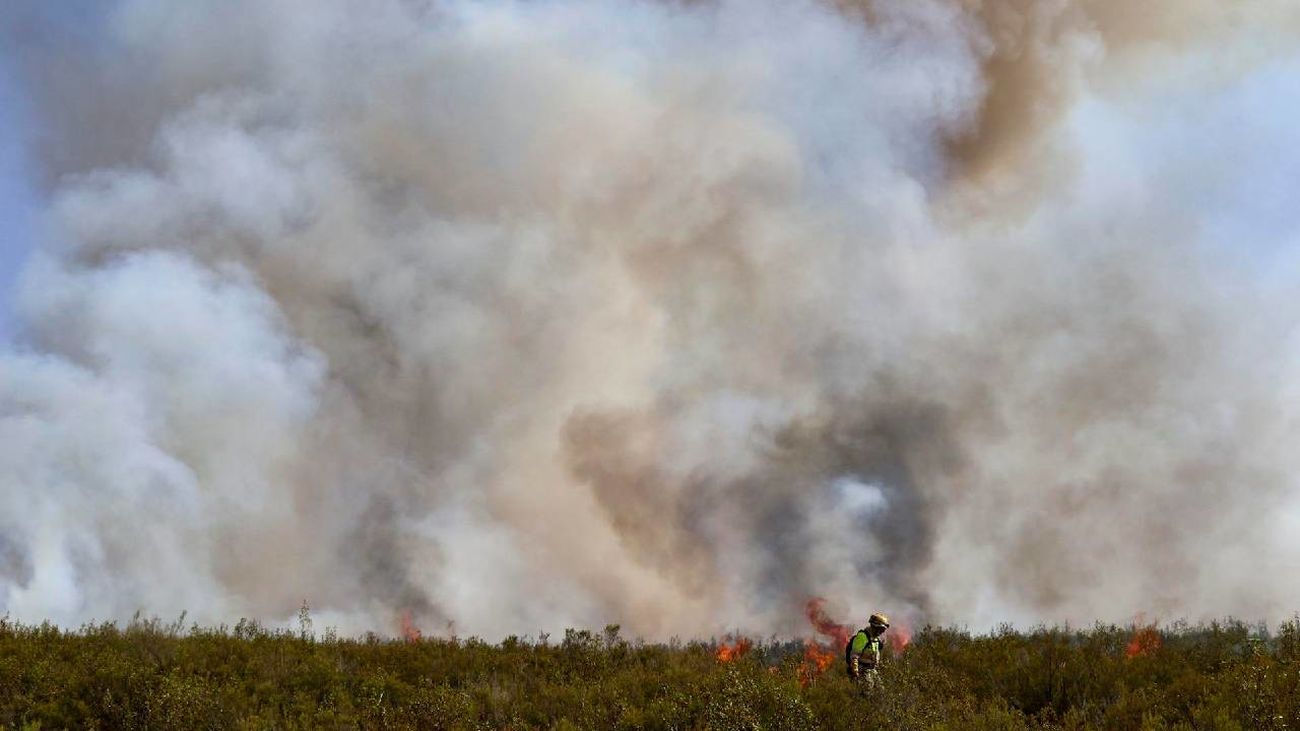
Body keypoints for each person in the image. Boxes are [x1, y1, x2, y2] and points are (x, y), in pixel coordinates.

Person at [845, 613, 889, 687]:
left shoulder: (876, 639)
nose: (882, 632)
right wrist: (855, 671)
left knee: (880, 690)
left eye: (883, 630)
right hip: (862, 670)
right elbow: (854, 656)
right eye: (881, 629)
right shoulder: (863, 637)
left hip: (872, 669)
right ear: (875, 627)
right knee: (867, 691)